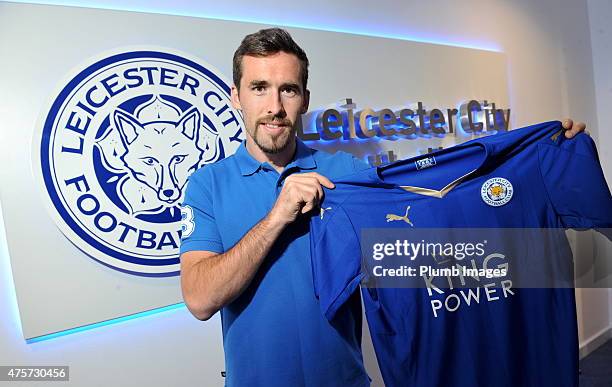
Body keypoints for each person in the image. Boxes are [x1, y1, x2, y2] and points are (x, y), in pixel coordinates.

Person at [179, 28, 587, 387]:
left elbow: (432, 217)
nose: (274, 106)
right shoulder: (207, 185)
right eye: (259, 88)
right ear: (236, 96)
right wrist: (276, 217)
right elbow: (200, 299)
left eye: (288, 89)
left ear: (305, 98)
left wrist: (539, 159)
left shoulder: (346, 173)